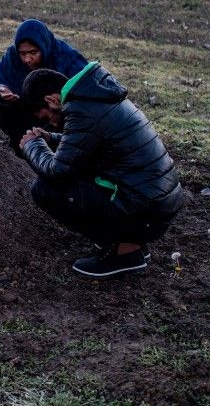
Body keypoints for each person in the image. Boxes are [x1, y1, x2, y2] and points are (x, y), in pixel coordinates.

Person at [18, 62, 184, 278]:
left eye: (47, 116)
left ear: (51, 100)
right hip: (157, 204)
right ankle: (131, 244)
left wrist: (32, 145)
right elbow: (91, 143)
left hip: (145, 209)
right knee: (80, 178)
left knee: (44, 188)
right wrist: (51, 139)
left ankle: (126, 253)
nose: (51, 121)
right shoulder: (96, 97)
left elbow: (58, 172)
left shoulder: (81, 109)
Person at [0, 19, 87, 149]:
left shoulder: (66, 57)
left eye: (33, 53)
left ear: (43, 47)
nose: (27, 59)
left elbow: (88, 91)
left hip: (62, 118)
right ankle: (22, 142)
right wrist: (1, 91)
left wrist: (61, 107)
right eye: (23, 54)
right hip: (29, 114)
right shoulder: (12, 58)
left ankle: (56, 144)